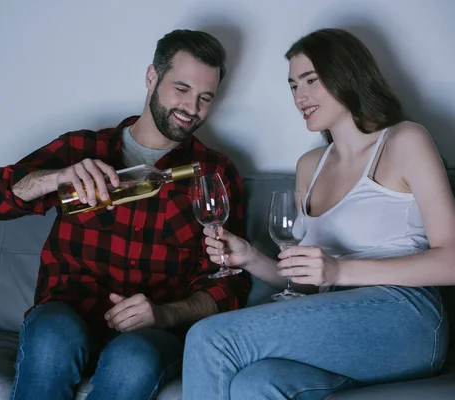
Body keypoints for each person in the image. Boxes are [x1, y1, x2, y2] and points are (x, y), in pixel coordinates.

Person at [0, 29, 251, 400]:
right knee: (50, 337)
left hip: (153, 334)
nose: (191, 108)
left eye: (204, 98)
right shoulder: (82, 148)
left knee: (132, 358)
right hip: (68, 316)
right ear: (152, 77)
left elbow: (230, 283)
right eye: (181, 89)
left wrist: (166, 314)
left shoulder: (213, 173)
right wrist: (56, 178)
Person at [182, 28, 454, 399]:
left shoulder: (404, 140)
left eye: (311, 79)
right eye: (293, 85)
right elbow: (305, 281)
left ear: (348, 73)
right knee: (255, 384)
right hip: (334, 313)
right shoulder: (310, 165)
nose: (300, 96)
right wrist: (248, 257)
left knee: (210, 337)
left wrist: (340, 270)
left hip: (406, 315)